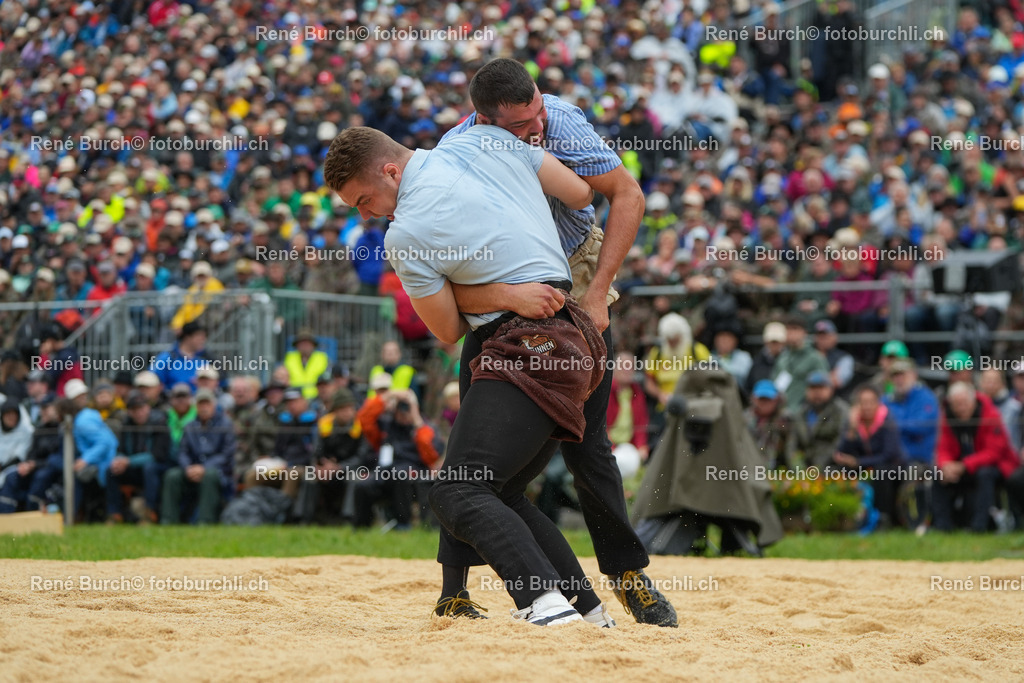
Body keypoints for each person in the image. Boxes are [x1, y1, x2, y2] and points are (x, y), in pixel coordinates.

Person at [323, 123, 614, 627]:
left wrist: (501, 293)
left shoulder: (406, 232)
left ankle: (545, 608)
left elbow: (447, 328)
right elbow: (580, 191)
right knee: (495, 490)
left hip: (526, 347)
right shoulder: (483, 140)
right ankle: (590, 614)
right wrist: (515, 280)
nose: (366, 214)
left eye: (364, 200)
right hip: (580, 333)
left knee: (456, 488)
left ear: (391, 171)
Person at [434, 58, 674, 626]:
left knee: (589, 444)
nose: (536, 129)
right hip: (510, 298)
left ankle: (626, 576)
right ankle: (454, 591)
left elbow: (627, 195)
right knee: (470, 444)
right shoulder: (458, 150)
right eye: (519, 126)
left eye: (537, 112)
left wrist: (598, 293)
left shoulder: (559, 120)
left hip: (574, 277)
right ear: (483, 121)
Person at [933, 381, 1020, 532]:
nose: (961, 408)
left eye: (964, 403)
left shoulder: (990, 414)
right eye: (956, 404)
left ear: (973, 400)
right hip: (962, 467)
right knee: (938, 474)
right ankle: (943, 526)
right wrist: (946, 465)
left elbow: (994, 452)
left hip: (996, 466)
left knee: (984, 474)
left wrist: (964, 465)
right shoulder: (947, 417)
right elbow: (942, 447)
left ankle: (979, 526)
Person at [352, 389, 442, 529]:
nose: (403, 413)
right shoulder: (386, 424)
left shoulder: (426, 428)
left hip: (412, 473)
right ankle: (361, 526)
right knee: (362, 485)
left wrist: (416, 420)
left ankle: (403, 524)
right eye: (400, 408)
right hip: (385, 471)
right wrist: (388, 396)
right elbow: (364, 418)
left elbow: (431, 456)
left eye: (407, 408)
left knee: (400, 475)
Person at [835, 384, 906, 526]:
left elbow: (889, 454)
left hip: (892, 466)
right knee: (837, 471)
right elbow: (843, 452)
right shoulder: (853, 422)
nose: (866, 407)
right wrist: (852, 430)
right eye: (862, 403)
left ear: (878, 403)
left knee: (881, 472)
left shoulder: (888, 421)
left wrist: (858, 462)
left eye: (870, 402)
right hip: (865, 465)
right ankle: (845, 516)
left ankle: (883, 518)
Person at [162, 389, 236, 524]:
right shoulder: (189, 426)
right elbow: (183, 452)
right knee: (172, 475)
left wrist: (204, 467)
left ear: (214, 405)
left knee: (210, 475)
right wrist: (188, 468)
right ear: (196, 407)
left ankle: (205, 520)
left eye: (207, 404)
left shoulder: (226, 424)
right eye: (200, 405)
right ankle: (168, 520)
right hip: (192, 469)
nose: (204, 408)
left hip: (217, 470)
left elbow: (226, 455)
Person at [106, 391, 172, 524]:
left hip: (159, 467)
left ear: (148, 408)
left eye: (141, 408)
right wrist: (119, 460)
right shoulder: (127, 425)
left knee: (149, 468)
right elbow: (121, 450)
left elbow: (157, 455)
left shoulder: (160, 423)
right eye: (134, 409)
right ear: (129, 412)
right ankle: (114, 514)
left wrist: (128, 461)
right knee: (111, 470)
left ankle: (149, 513)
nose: (138, 413)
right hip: (135, 468)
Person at [789, 371, 849, 469]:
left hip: (832, 467)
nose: (817, 392)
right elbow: (792, 445)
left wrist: (817, 468)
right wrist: (799, 469)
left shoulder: (841, 411)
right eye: (812, 388)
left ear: (831, 390)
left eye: (821, 388)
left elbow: (840, 442)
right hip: (804, 469)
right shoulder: (801, 413)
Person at [771, 316, 830, 409]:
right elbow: (775, 385)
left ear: (804, 332)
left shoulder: (815, 358)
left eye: (795, 329)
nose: (791, 333)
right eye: (788, 329)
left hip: (805, 412)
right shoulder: (782, 358)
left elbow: (824, 388)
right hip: (783, 412)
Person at [284, 329, 329, 400]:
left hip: (317, 397)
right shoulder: (290, 358)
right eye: (302, 343)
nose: (305, 346)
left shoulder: (322, 358)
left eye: (307, 343)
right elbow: (284, 377)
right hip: (295, 398)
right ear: (297, 346)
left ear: (313, 345)